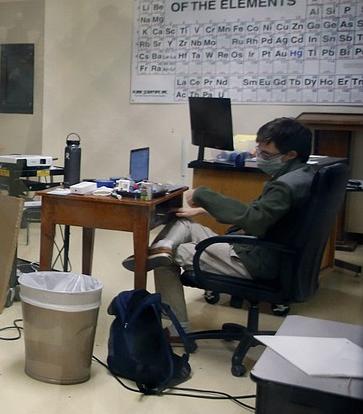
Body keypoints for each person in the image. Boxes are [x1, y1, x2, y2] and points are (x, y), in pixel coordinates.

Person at [123, 117, 314, 337]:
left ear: (290, 155)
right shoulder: (301, 176)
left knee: (167, 259)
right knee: (184, 222)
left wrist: (203, 195)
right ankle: (159, 249)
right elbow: (263, 213)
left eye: (266, 155)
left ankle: (177, 328)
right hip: (265, 250)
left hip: (255, 261)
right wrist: (204, 210)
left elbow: (254, 219)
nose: (258, 157)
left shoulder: (284, 186)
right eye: (258, 151)